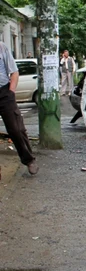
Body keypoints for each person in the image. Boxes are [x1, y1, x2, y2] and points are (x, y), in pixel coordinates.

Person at [0, 41, 38, 174]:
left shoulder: (2, 47)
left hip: (4, 93)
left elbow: (14, 72)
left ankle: (29, 160)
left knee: (16, 129)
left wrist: (11, 92)